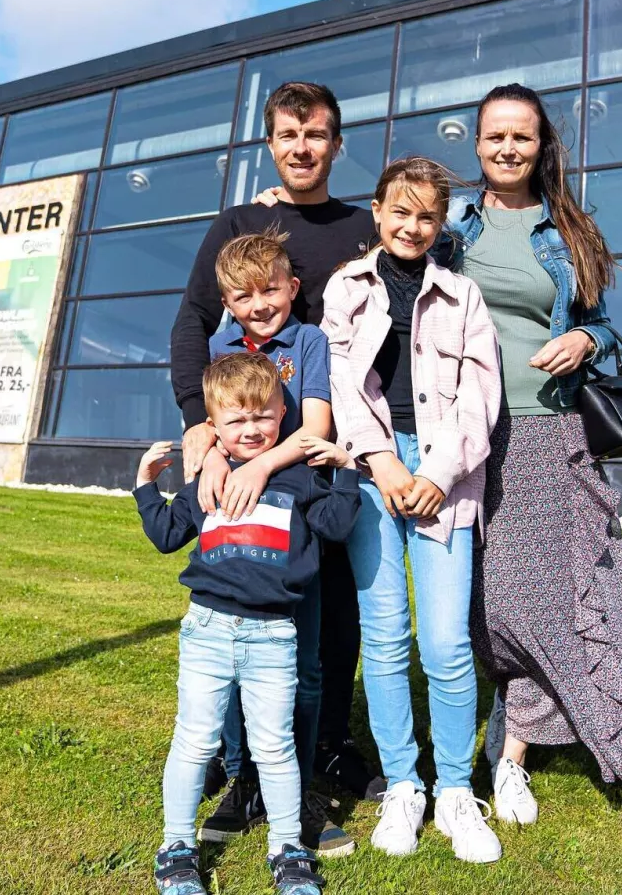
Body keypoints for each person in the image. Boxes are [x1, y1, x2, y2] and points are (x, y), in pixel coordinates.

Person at [439, 83, 622, 821]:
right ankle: (490, 734)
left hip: (543, 431)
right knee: (475, 602)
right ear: (478, 144)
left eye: (521, 137)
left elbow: (606, 322)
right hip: (463, 435)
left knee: (543, 597)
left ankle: (513, 759)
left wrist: (586, 337)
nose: (507, 148)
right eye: (496, 136)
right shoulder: (451, 227)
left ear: (540, 146)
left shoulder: (566, 230)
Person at [169, 82, 382, 847]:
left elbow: (429, 245)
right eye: (288, 134)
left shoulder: (364, 227)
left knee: (330, 615)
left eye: (316, 134)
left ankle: (323, 749)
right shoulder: (240, 223)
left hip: (322, 459)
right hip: (245, 456)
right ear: (271, 142)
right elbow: (194, 323)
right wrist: (200, 426)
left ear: (336, 141)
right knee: (241, 605)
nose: (302, 147)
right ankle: (245, 766)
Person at [320, 157, 505, 863]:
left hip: (444, 476)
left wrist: (435, 470)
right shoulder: (346, 287)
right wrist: (383, 461)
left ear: (440, 223)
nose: (412, 225)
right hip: (372, 473)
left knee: (448, 643)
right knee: (388, 636)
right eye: (400, 211)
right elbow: (342, 381)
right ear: (377, 211)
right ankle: (405, 784)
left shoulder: (463, 297)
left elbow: (479, 397)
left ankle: (456, 788)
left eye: (427, 215)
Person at [135, 351, 361, 895]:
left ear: (283, 412)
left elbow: (334, 526)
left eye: (263, 416)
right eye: (236, 420)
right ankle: (177, 847)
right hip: (207, 631)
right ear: (214, 428)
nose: (252, 429)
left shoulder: (302, 479)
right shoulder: (206, 480)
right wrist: (146, 485)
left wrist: (345, 471)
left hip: (274, 636)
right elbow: (168, 535)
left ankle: (288, 849)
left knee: (276, 747)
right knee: (192, 741)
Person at [194, 229, 349, 855]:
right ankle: (244, 780)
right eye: (242, 295)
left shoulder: (308, 342)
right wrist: (208, 459)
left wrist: (259, 466)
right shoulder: (219, 346)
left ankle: (300, 783)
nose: (258, 304)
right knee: (231, 660)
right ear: (227, 302)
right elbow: (212, 422)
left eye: (269, 290)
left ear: (293, 287)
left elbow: (315, 430)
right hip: (234, 521)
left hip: (295, 516)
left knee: (303, 663)